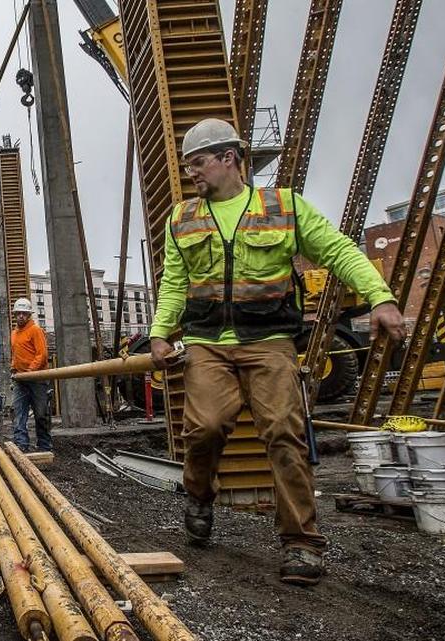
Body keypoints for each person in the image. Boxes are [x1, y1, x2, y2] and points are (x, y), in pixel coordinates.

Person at [148, 118, 406, 586]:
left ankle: (301, 543)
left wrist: (379, 296)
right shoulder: (182, 219)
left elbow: (339, 251)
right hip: (208, 343)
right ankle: (200, 496)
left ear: (230, 158)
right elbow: (175, 283)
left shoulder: (283, 208)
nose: (192, 174)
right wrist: (160, 333)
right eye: (188, 166)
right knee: (203, 429)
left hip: (269, 342)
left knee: (284, 432)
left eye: (199, 163)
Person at [9, 298, 51, 452]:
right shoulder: (14, 333)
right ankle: (21, 445)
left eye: (24, 313)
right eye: (18, 313)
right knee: (19, 413)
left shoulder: (35, 330)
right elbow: (15, 355)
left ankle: (44, 445)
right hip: (20, 380)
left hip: (37, 379)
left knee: (41, 414)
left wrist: (30, 371)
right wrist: (13, 368)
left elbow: (42, 354)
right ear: (15, 315)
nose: (21, 316)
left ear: (29, 315)